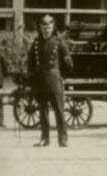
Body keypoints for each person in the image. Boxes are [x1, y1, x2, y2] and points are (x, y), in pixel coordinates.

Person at [26, 15, 73, 147]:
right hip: (40, 80)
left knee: (59, 110)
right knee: (42, 110)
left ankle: (63, 138)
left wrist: (60, 76)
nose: (46, 30)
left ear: (53, 28)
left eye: (49, 27)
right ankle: (44, 138)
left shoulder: (59, 42)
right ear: (40, 28)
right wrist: (31, 76)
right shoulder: (36, 43)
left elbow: (68, 64)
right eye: (44, 27)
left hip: (54, 80)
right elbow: (30, 62)